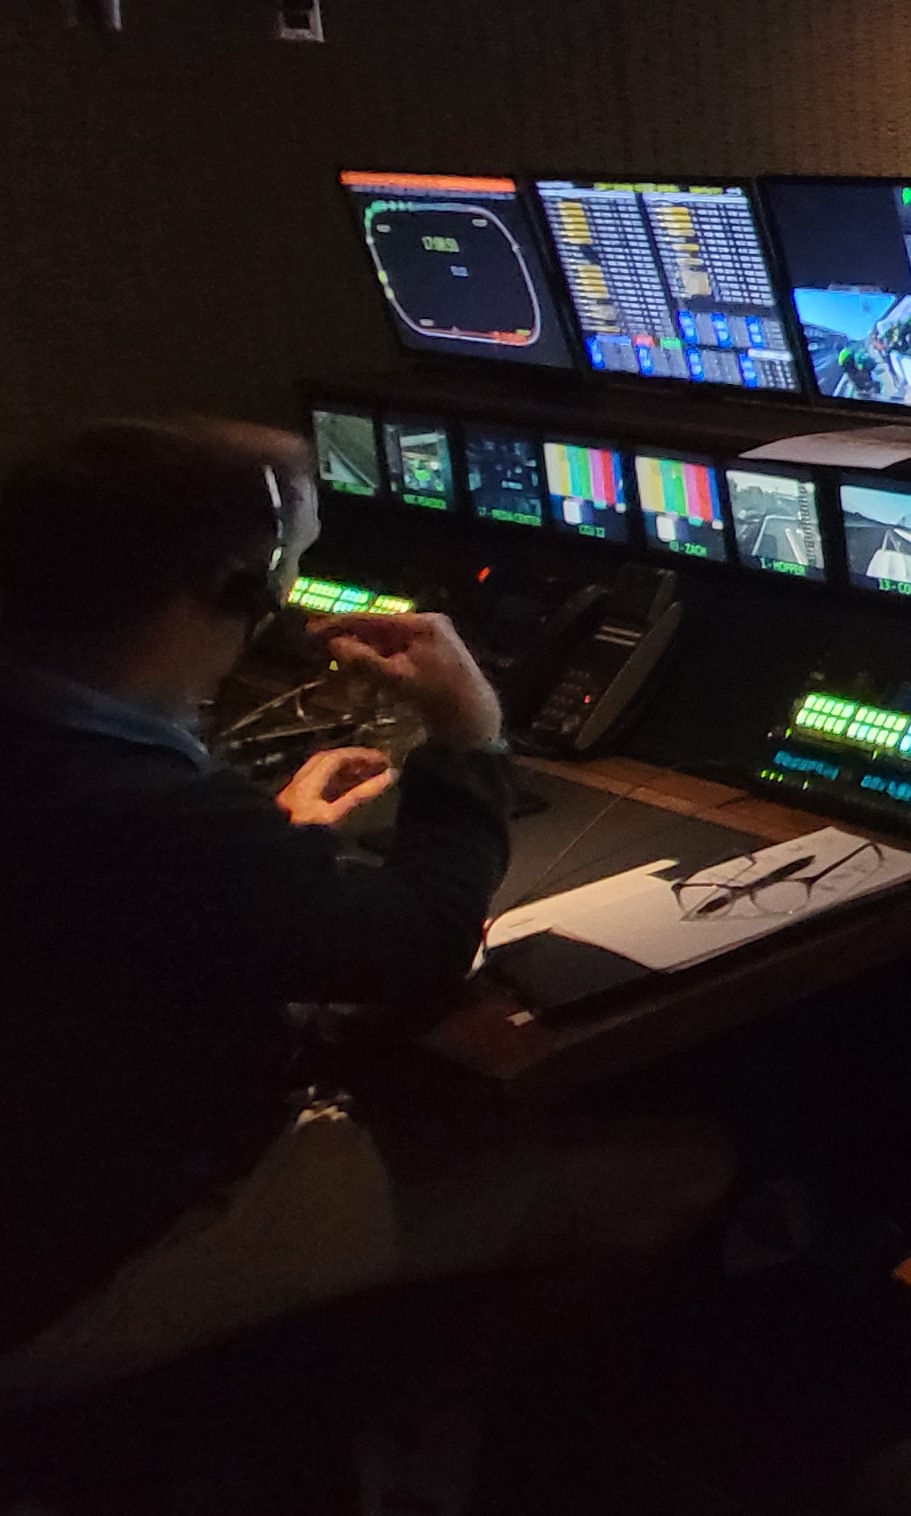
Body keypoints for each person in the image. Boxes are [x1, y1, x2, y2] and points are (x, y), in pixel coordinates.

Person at [0, 418, 724, 1417]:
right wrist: (468, 733)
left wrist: (267, 852)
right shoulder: (137, 808)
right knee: (673, 1169)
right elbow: (416, 946)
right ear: (240, 590)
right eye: (292, 569)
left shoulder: (68, 744)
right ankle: (409, 1436)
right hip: (70, 1273)